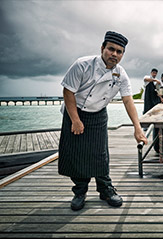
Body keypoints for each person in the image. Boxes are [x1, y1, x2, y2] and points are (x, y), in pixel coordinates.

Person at [58, 31, 147, 211]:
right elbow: (68, 92)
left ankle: (106, 189)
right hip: (75, 111)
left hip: (98, 113)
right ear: (102, 48)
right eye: (111, 49)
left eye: (119, 51)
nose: (114, 54)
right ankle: (80, 191)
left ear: (122, 55)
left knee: (100, 154)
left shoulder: (121, 74)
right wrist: (75, 120)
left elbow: (128, 100)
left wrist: (137, 128)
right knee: (77, 154)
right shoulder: (82, 65)